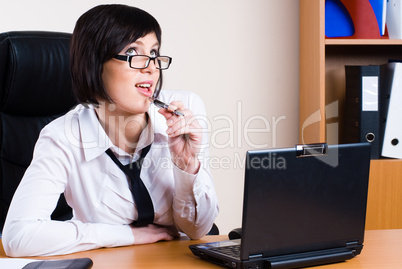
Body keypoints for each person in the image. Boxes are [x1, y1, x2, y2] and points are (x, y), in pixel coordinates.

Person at [2, 4, 219, 257]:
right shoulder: (62, 136)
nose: (151, 67)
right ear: (94, 64)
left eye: (154, 52)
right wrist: (126, 236)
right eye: (133, 52)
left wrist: (187, 164)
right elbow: (19, 236)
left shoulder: (186, 109)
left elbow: (197, 231)